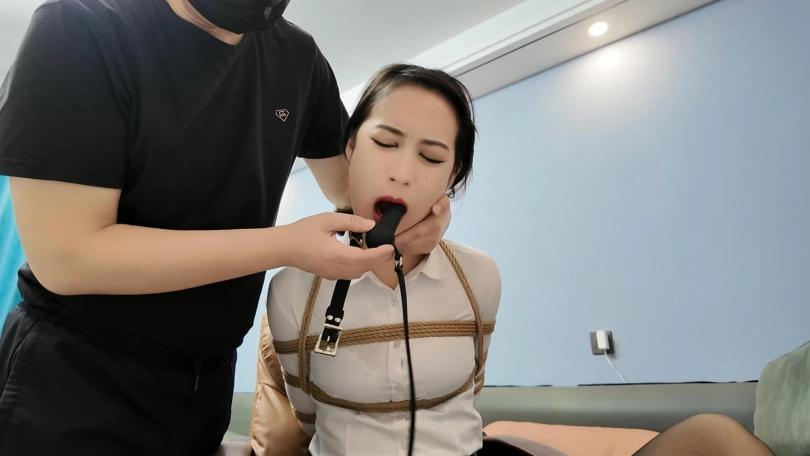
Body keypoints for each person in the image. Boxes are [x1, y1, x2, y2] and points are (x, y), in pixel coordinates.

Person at [0, 0, 451, 455]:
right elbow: (67, 258)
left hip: (206, 382)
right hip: (80, 375)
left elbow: (353, 188)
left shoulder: (297, 58)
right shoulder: (80, 29)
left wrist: (426, 210)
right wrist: (283, 246)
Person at [253, 63, 503, 456]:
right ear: (351, 148)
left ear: (452, 175)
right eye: (386, 143)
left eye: (431, 157)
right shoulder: (292, 289)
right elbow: (308, 412)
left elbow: (470, 387)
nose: (402, 173)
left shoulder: (478, 275)